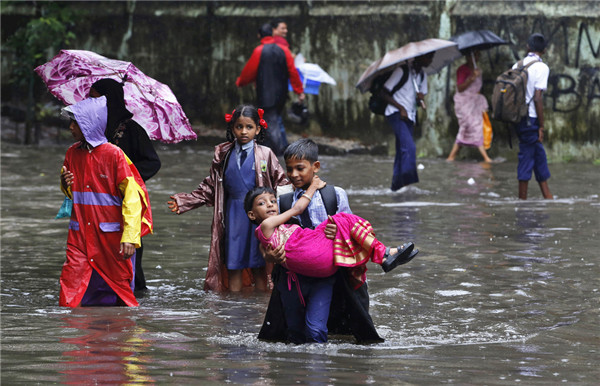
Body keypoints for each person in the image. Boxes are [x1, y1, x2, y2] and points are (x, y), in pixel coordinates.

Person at [258, 139, 384, 344]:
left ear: (315, 166)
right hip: (295, 274)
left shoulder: (335, 195)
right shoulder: (282, 199)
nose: (294, 175)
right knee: (291, 333)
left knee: (337, 327)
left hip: (330, 271)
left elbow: (355, 229)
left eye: (300, 168)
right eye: (289, 169)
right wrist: (269, 255)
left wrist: (340, 232)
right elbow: (267, 237)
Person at [166, 104, 289, 292]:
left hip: (260, 218)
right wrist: (184, 201)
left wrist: (292, 211)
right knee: (233, 265)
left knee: (261, 266)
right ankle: (232, 311)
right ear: (232, 129)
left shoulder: (266, 154)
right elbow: (210, 186)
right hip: (232, 216)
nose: (243, 131)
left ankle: (260, 309)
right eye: (239, 127)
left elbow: (282, 184)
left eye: (249, 127)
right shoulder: (223, 155)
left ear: (258, 129)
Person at [58, 96, 153, 307]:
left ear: (88, 124)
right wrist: (65, 183)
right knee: (71, 290)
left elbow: (132, 199)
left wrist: (130, 237)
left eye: (75, 122)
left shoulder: (114, 155)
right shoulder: (72, 153)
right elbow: (72, 195)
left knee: (118, 290)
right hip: (79, 236)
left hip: (111, 239)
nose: (71, 127)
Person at [245, 182, 418, 279]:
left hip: (312, 256)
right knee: (343, 219)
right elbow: (297, 209)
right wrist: (313, 186)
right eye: (262, 203)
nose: (269, 205)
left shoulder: (274, 230)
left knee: (343, 223)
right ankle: (383, 253)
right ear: (252, 215)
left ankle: (384, 255)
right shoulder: (266, 226)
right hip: (311, 255)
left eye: (272, 201)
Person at [89, 78, 161, 293]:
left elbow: (152, 162)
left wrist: (125, 177)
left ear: (108, 99)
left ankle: (135, 291)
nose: (91, 103)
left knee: (130, 246)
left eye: (95, 98)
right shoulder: (94, 129)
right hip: (100, 200)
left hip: (126, 198)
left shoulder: (132, 130)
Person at [236, 24, 305, 156]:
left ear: (259, 35)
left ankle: (277, 153)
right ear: (272, 34)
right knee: (275, 120)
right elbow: (292, 71)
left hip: (265, 94)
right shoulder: (284, 50)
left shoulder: (259, 50)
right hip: (281, 94)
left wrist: (240, 82)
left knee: (271, 123)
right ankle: (279, 148)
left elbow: (249, 72)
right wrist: (299, 90)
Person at [381, 52, 434, 192]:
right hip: (395, 112)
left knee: (401, 150)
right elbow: (383, 92)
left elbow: (419, 98)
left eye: (432, 57)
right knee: (409, 148)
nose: (430, 60)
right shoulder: (402, 70)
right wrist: (401, 108)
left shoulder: (422, 75)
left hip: (410, 115)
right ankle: (406, 184)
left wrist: (420, 99)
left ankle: (396, 187)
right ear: (420, 57)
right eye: (429, 56)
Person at [513, 33, 553, 200]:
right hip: (531, 119)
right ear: (544, 50)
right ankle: (522, 201)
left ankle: (548, 198)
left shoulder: (518, 65)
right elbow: (538, 97)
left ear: (528, 47)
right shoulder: (542, 68)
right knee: (527, 158)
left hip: (518, 117)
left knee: (538, 156)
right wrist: (541, 126)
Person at [446, 50, 494, 163]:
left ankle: (451, 157)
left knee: (476, 127)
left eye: (478, 54)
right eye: (473, 55)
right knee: (468, 127)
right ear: (467, 57)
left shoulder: (478, 70)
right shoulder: (462, 70)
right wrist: (472, 77)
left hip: (474, 104)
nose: (476, 57)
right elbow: (460, 88)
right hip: (464, 104)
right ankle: (486, 158)